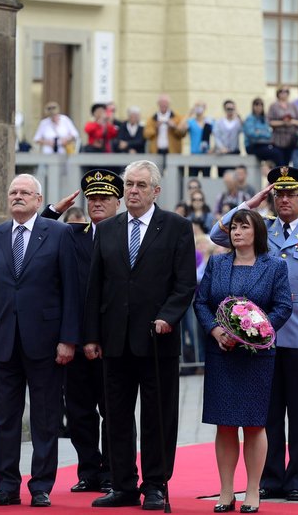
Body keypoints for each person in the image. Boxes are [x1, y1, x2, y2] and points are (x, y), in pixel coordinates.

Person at [209, 166, 298, 503]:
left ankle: (296, 478)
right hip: (256, 336)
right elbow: (218, 235)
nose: (283, 199)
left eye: (290, 194)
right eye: (277, 194)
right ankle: (270, 477)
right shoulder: (261, 227)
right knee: (265, 412)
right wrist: (250, 205)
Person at [84, 160, 197, 510]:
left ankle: (155, 485)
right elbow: (95, 287)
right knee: (116, 415)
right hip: (114, 338)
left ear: (156, 191)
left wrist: (168, 317)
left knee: (157, 417)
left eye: (140, 185)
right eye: (129, 185)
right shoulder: (107, 229)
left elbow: (185, 283)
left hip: (156, 339)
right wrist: (91, 336)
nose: (132, 191)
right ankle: (122, 485)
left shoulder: (177, 227)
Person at [0, 174, 80, 508]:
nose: (17, 196)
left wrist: (68, 339)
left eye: (24, 192)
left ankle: (41, 486)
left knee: (46, 419)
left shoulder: (60, 233)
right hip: (5, 341)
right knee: (4, 418)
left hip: (47, 343)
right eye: (12, 192)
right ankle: (6, 485)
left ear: (38, 199)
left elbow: (71, 292)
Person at [194, 210, 292, 514]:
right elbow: (201, 301)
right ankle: (225, 492)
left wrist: (255, 332)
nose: (236, 232)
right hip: (221, 352)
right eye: (234, 227)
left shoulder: (275, 266)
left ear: (257, 232)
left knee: (253, 424)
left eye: (243, 227)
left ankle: (252, 491)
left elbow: (283, 306)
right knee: (224, 424)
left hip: (256, 357)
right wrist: (215, 330)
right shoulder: (218, 262)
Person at [41, 169, 133, 495]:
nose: (96, 203)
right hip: (77, 339)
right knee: (79, 412)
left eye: (104, 198)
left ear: (117, 203)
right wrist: (53, 210)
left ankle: (112, 472)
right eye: (92, 198)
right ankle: (88, 470)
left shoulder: (127, 235)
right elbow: (37, 233)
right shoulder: (72, 234)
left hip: (112, 341)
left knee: (113, 410)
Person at [243, 97, 277, 163]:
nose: (259, 107)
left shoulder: (264, 118)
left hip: (264, 144)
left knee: (278, 152)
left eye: (261, 105)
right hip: (252, 146)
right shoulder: (249, 118)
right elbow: (251, 133)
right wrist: (262, 133)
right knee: (276, 154)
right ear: (253, 106)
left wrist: (259, 132)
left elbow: (269, 134)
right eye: (256, 105)